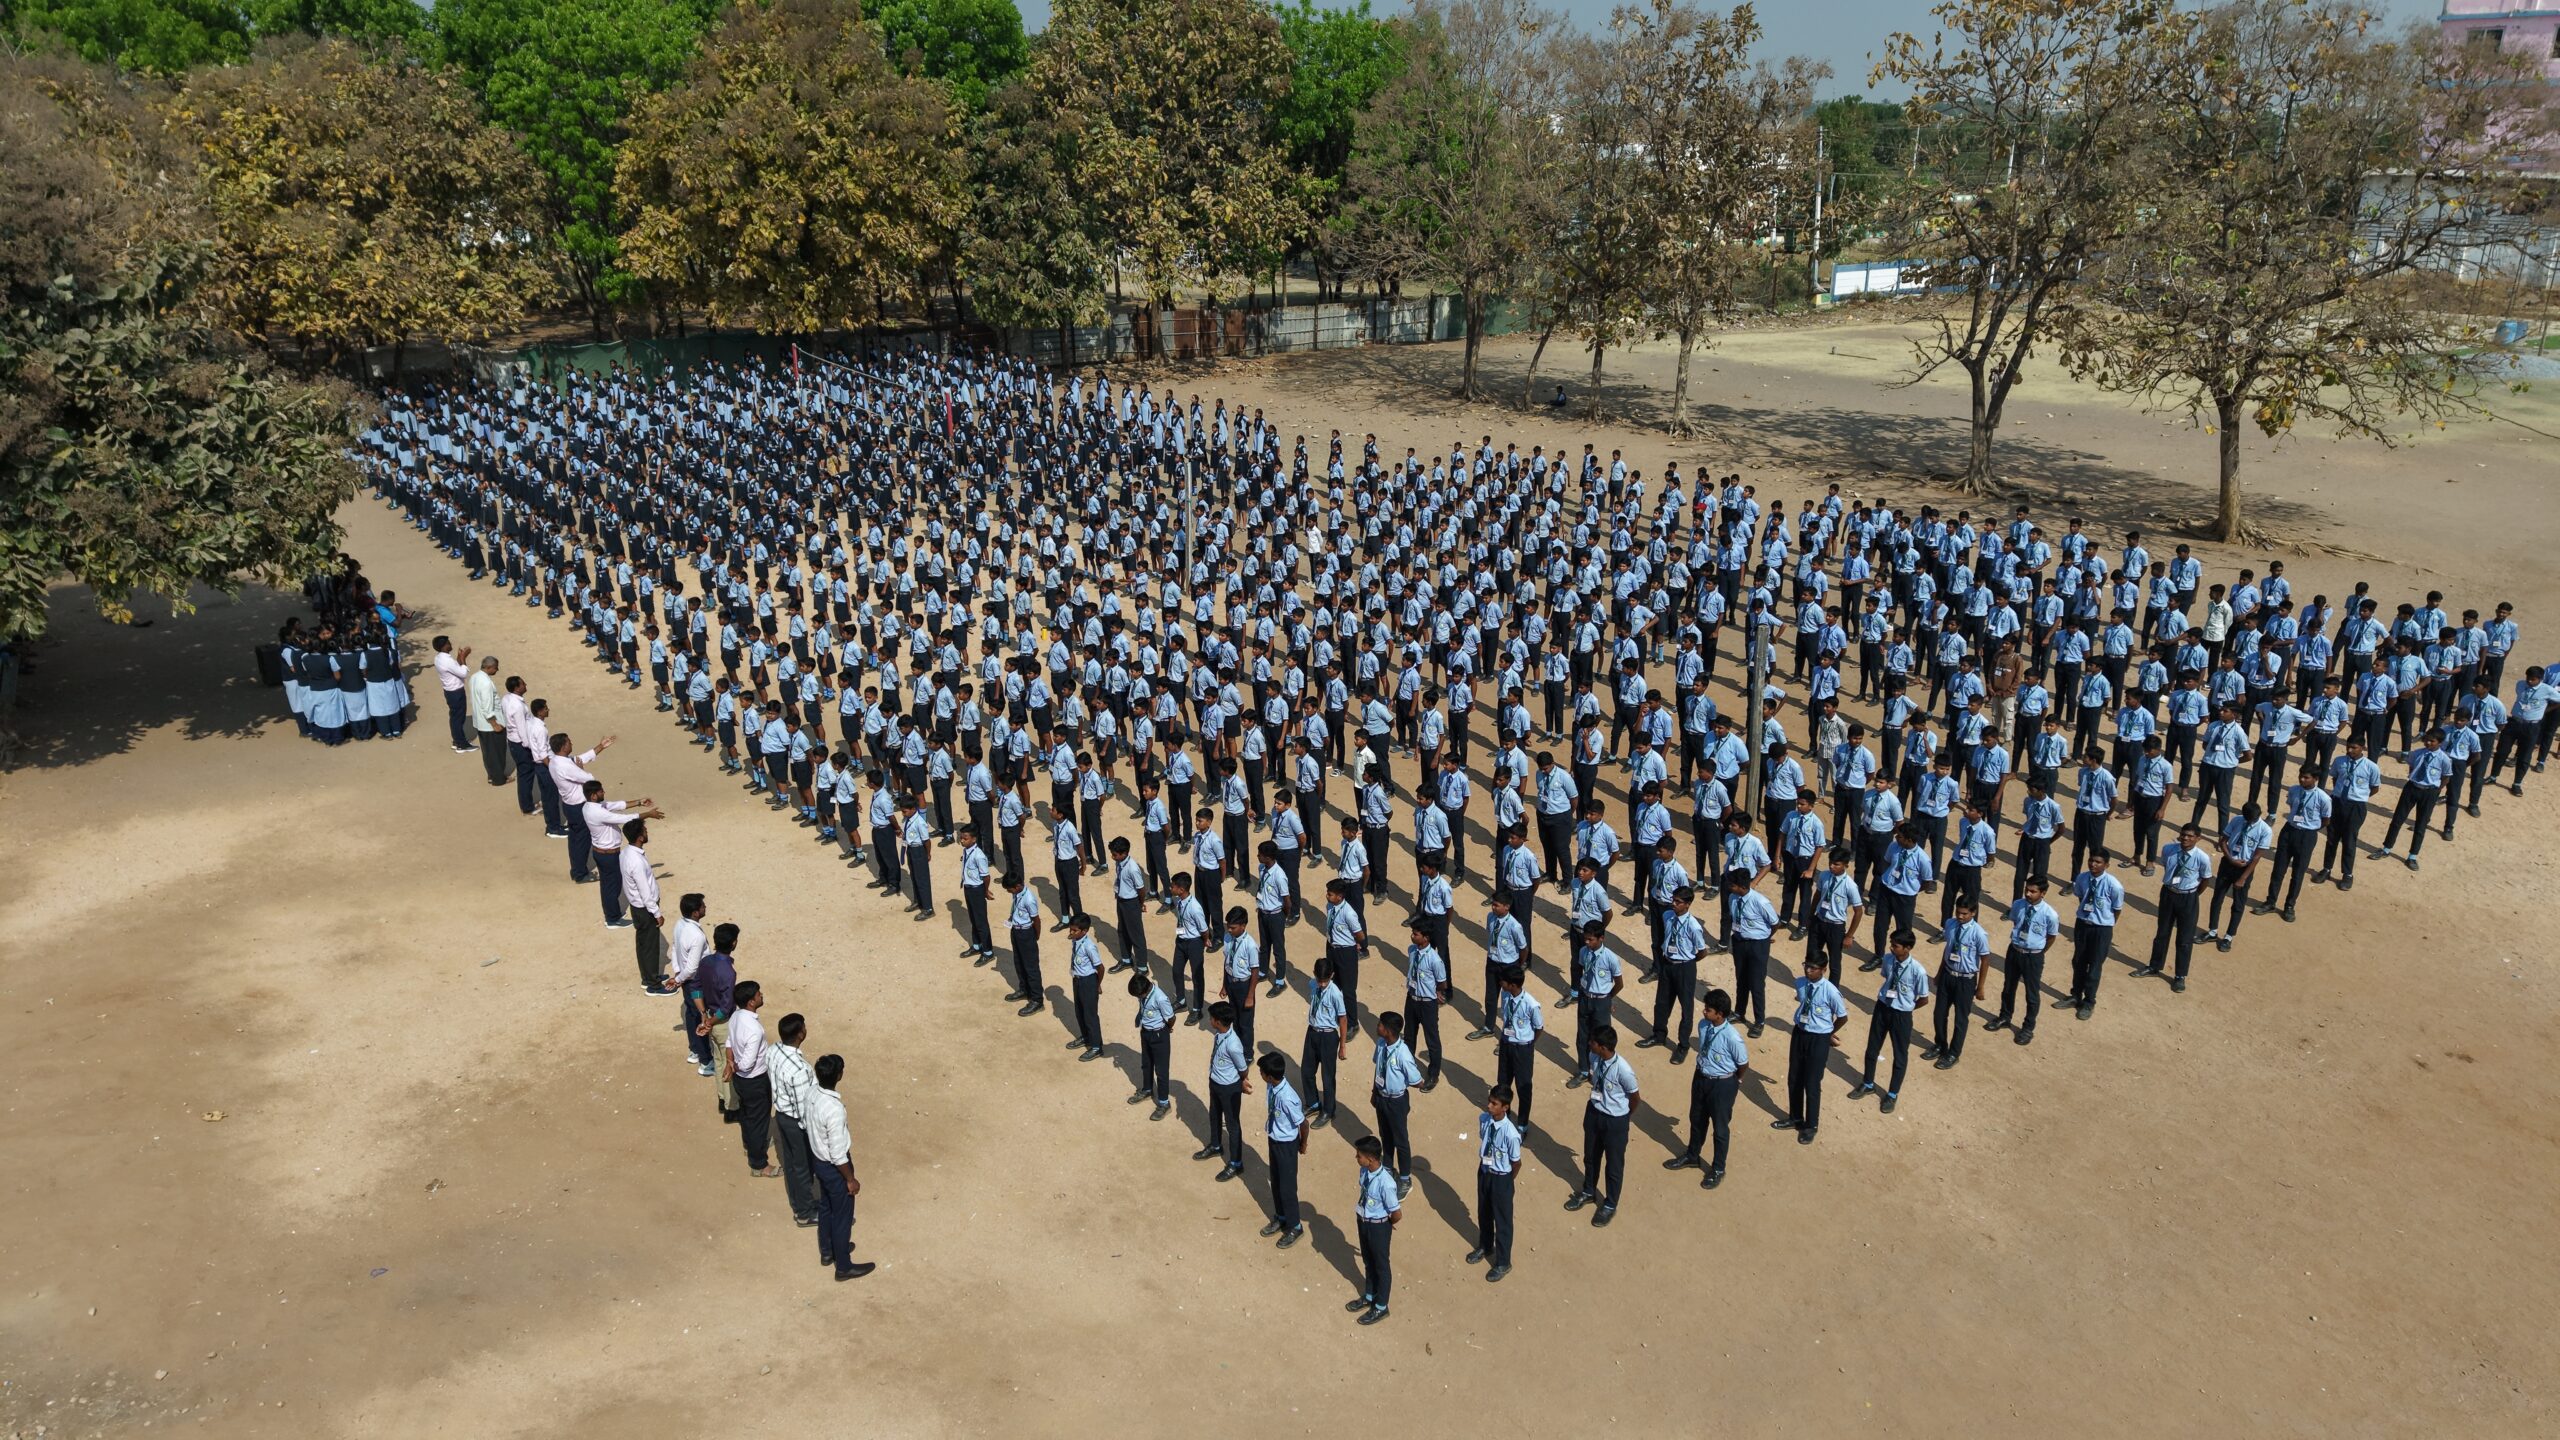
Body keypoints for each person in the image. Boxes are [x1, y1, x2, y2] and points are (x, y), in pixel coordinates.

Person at [1664, 988, 1747, 1187]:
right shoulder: (1703, 1025)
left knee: (1719, 1128)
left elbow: (1743, 1064)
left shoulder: (1732, 1037)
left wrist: (1732, 1082)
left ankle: (1718, 1168)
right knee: (1697, 1119)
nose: (1704, 1012)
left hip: (1722, 1083)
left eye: (1708, 1009)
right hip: (1701, 1077)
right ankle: (1693, 1155)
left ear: (1720, 1014)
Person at [806, 1053, 874, 1281]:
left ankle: (828, 1251)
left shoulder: (812, 1092)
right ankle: (843, 1266)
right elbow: (837, 1153)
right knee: (842, 1216)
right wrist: (850, 1179)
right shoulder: (834, 1108)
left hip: (818, 1161)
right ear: (839, 1075)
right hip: (835, 1167)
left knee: (826, 1207)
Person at [1566, 1024, 1639, 1224]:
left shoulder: (1623, 1070)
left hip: (1615, 1121)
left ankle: (1610, 1204)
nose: (1589, 1044)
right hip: (1594, 1113)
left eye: (1593, 1043)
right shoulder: (1594, 1057)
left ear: (1603, 1047)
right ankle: (1589, 1191)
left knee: (1613, 1165)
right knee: (1590, 1156)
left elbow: (1634, 1098)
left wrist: (1622, 1117)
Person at [1852, 929, 1930, 1112]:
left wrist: (1906, 1007)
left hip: (1901, 1015)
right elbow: (1887, 978)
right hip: (1882, 1008)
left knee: (1899, 1055)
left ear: (1907, 948)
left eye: (1895, 945)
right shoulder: (1888, 960)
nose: (1891, 948)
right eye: (1891, 944)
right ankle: (1868, 1083)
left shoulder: (1918, 971)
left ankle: (1892, 1094)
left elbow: (1924, 999)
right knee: (1872, 1048)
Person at [1776, 952, 1847, 1142]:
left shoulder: (1830, 991)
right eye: (1806, 966)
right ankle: (1795, 1117)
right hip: (1800, 1033)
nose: (1808, 970)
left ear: (1824, 970)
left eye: (1813, 968)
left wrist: (1829, 1033)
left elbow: (1842, 1016)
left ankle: (1811, 1124)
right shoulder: (1800, 983)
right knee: (1794, 1077)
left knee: (1812, 1082)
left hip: (1819, 1038)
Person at [2140, 823, 2211, 991]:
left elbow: (2205, 879)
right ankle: (2154, 966)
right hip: (2168, 894)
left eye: (2190, 836)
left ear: (2198, 839)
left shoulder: (2202, 857)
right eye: (2183, 835)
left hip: (2188, 897)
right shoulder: (2168, 849)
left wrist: (2191, 894)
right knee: (2162, 933)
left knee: (2184, 939)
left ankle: (2180, 976)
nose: (2185, 838)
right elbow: (2167, 866)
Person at [767, 1014, 821, 1228]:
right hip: (795, 1122)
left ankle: (799, 1203)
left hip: (781, 1115)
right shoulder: (800, 1070)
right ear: (800, 1034)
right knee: (803, 1165)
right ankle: (805, 1212)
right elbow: (803, 1109)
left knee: (791, 1163)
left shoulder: (774, 1050)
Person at [725, 980, 779, 1177]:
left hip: (741, 1080)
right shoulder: (755, 1030)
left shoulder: (736, 1016)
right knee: (759, 1120)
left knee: (748, 1115)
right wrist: (735, 1065)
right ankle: (759, 1164)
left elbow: (729, 1041)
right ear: (750, 1002)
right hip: (755, 1080)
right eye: (758, 994)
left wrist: (730, 1063)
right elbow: (747, 1063)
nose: (761, 995)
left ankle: (750, 1144)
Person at [1926, 899, 1988, 1067]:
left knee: (1960, 1019)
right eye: (1958, 912)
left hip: (1965, 980)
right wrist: (1939, 974)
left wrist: (1980, 987)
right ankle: (1940, 1044)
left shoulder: (1979, 933)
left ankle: (1953, 1053)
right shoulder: (1950, 924)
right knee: (1939, 1013)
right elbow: (1948, 949)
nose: (1960, 916)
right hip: (1948, 975)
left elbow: (1985, 959)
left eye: (1964, 914)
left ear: (1973, 913)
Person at [1469, 1083, 1521, 1280]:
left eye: (1494, 1103)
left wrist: (1506, 1182)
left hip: (1501, 1178)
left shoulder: (1511, 1134)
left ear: (1505, 1107)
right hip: (1484, 1171)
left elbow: (1517, 1162)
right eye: (1490, 1101)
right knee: (1484, 1211)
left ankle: (1503, 1262)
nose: (1489, 1106)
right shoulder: (1484, 1120)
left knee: (1503, 1220)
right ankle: (1485, 1245)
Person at [2066, 847, 2125, 1020]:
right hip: (2082, 924)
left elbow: (2117, 909)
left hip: (2101, 929)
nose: (2093, 864)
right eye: (2091, 860)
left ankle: (2089, 1002)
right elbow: (2080, 896)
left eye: (2098, 862)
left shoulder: (2114, 885)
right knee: (2078, 961)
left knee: (2094, 966)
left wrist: (2105, 922)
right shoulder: (2082, 878)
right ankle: (2075, 995)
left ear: (2106, 865)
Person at [1370, 1010, 1423, 1192]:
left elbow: (1417, 1081)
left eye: (1380, 1024)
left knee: (1400, 1140)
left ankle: (1405, 1178)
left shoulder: (1403, 1054)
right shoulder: (1381, 1044)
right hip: (1382, 1097)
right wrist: (1374, 1092)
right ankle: (1387, 1166)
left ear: (1389, 1030)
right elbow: (1378, 1068)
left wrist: (1401, 1083)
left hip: (1397, 1101)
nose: (1377, 1027)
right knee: (1385, 1134)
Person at [1350, 1134, 1401, 1325]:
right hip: (1363, 1220)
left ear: (1370, 1158)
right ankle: (1370, 1295)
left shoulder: (1386, 1183)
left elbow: (1396, 1213)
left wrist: (1385, 1224)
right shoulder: (1365, 1172)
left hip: (1378, 1225)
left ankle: (1381, 1306)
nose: (1357, 1158)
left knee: (1381, 1264)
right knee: (1368, 1260)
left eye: (1359, 1156)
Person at [1197, 1001, 1250, 1180]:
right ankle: (1215, 1145)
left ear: (1218, 1022)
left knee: (1233, 1124)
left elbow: (1243, 1069)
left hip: (1229, 1088)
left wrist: (1243, 1081)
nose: (1210, 1021)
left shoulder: (1233, 1045)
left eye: (1212, 1018)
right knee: (1214, 1115)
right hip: (1216, 1083)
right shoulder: (1220, 1034)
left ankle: (1236, 1163)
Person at [1258, 1053, 1307, 1247]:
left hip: (1287, 1145)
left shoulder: (1287, 1098)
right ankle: (1281, 1217)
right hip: (1274, 1140)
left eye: (1262, 1072)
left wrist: (1303, 1144)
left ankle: (1295, 1226)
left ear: (1270, 1076)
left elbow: (1303, 1123)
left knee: (1287, 1187)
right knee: (1276, 1182)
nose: (1260, 1075)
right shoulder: (1272, 1086)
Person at [620, 819, 668, 991]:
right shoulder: (637, 862)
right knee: (650, 946)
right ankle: (653, 984)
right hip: (645, 909)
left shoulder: (626, 853)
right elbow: (645, 892)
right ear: (640, 837)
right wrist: (657, 913)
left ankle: (648, 976)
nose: (647, 832)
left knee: (643, 944)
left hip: (637, 907)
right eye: (645, 831)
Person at [1129, 970, 1175, 1118]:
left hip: (1159, 1035)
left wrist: (1166, 1029)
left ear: (1145, 990)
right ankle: (1147, 1089)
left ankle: (1164, 1103)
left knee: (1161, 1071)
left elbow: (1171, 1017)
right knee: (1146, 1064)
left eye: (1138, 995)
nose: (1138, 998)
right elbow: (1143, 1006)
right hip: (1146, 1032)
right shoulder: (1144, 993)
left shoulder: (1160, 998)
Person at [1066, 914, 1106, 1061]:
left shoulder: (1089, 946)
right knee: (1079, 1011)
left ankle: (1097, 1047)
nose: (1071, 933)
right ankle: (1086, 1037)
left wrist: (1097, 984)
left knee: (1090, 1015)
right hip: (1077, 980)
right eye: (1071, 929)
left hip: (1088, 981)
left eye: (1074, 930)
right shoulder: (1076, 940)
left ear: (1084, 931)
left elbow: (1100, 968)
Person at [468, 655, 509, 785]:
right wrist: (495, 724)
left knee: (488, 752)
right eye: (495, 668)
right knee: (497, 753)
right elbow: (487, 706)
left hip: (480, 723)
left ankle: (491, 775)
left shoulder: (474, 677)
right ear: (489, 667)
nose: (497, 670)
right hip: (489, 725)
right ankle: (499, 779)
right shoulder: (486, 683)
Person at [431, 636, 475, 753]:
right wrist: (463, 657)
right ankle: (461, 744)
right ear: (444, 646)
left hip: (450, 691)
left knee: (455, 717)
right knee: (458, 718)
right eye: (448, 643)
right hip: (456, 692)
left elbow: (455, 667)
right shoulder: (447, 661)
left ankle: (457, 741)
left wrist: (459, 658)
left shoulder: (439, 658)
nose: (451, 644)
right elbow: (463, 673)